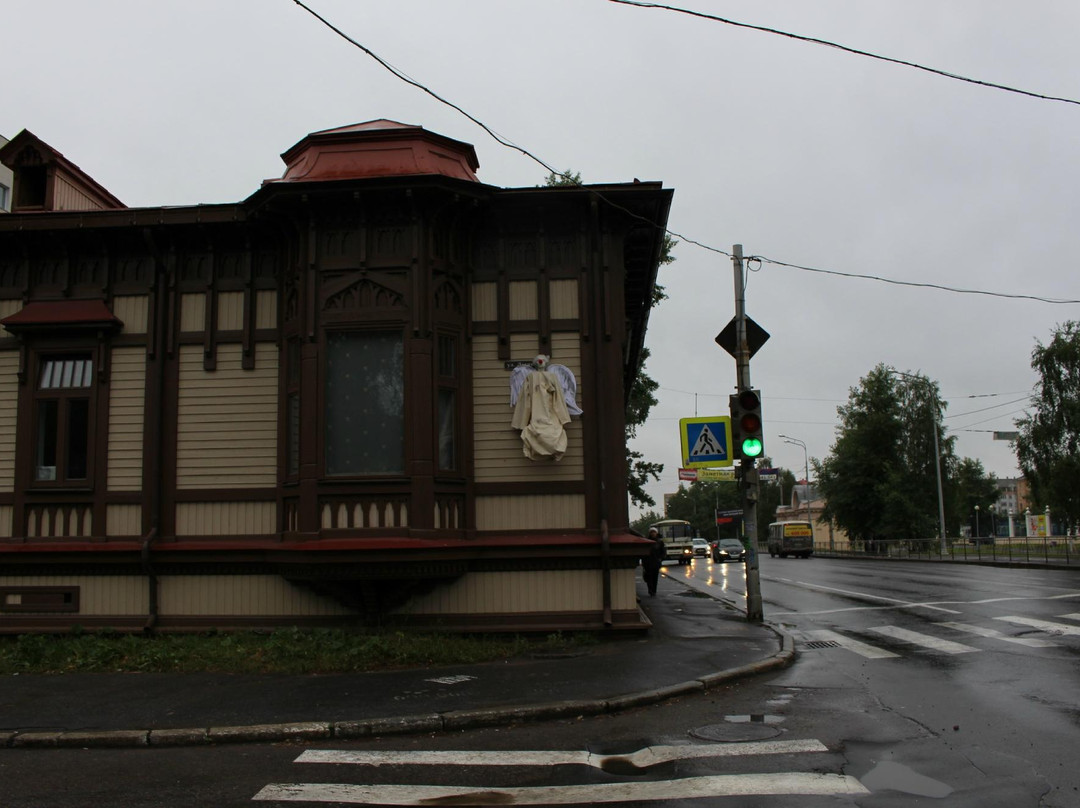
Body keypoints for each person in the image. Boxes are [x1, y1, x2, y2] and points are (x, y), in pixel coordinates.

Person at [641, 527, 666, 596]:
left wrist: (660, 559)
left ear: (656, 533)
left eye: (654, 532)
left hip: (656, 563)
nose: (653, 533)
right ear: (650, 533)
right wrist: (643, 562)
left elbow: (663, 552)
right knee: (649, 577)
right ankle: (650, 590)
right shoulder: (646, 541)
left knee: (655, 577)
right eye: (651, 532)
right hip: (648, 563)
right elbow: (644, 553)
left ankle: (654, 590)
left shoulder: (660, 542)